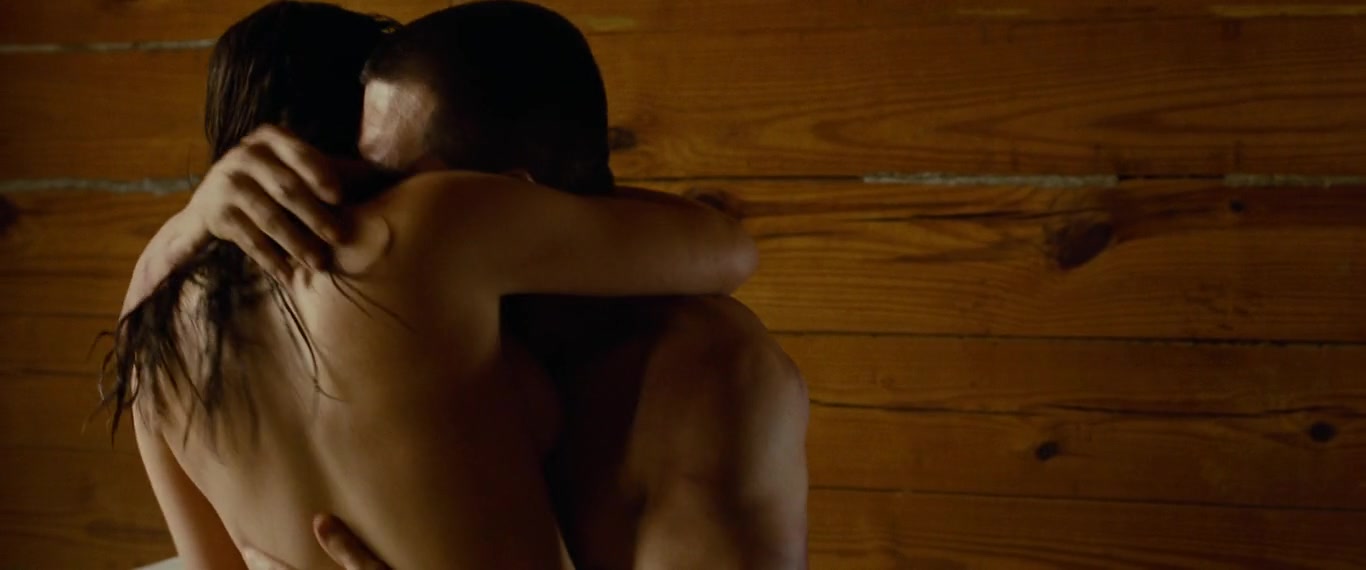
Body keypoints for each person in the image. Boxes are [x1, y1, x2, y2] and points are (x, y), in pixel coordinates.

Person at [128, 1, 810, 568]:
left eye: (384, 190)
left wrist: (188, 230)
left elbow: (728, 249)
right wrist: (200, 216)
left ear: (509, 199)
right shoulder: (459, 343)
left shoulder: (693, 373)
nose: (366, 224)